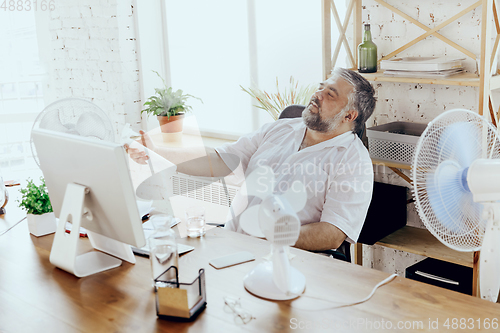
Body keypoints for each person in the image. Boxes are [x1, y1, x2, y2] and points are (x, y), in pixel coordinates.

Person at [127, 68, 376, 252]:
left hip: (288, 258)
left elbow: (332, 234)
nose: (318, 94)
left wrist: (269, 236)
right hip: (232, 245)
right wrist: (156, 149)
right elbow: (217, 161)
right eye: (321, 86)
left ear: (349, 115)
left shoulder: (354, 162)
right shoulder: (281, 129)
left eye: (330, 94)